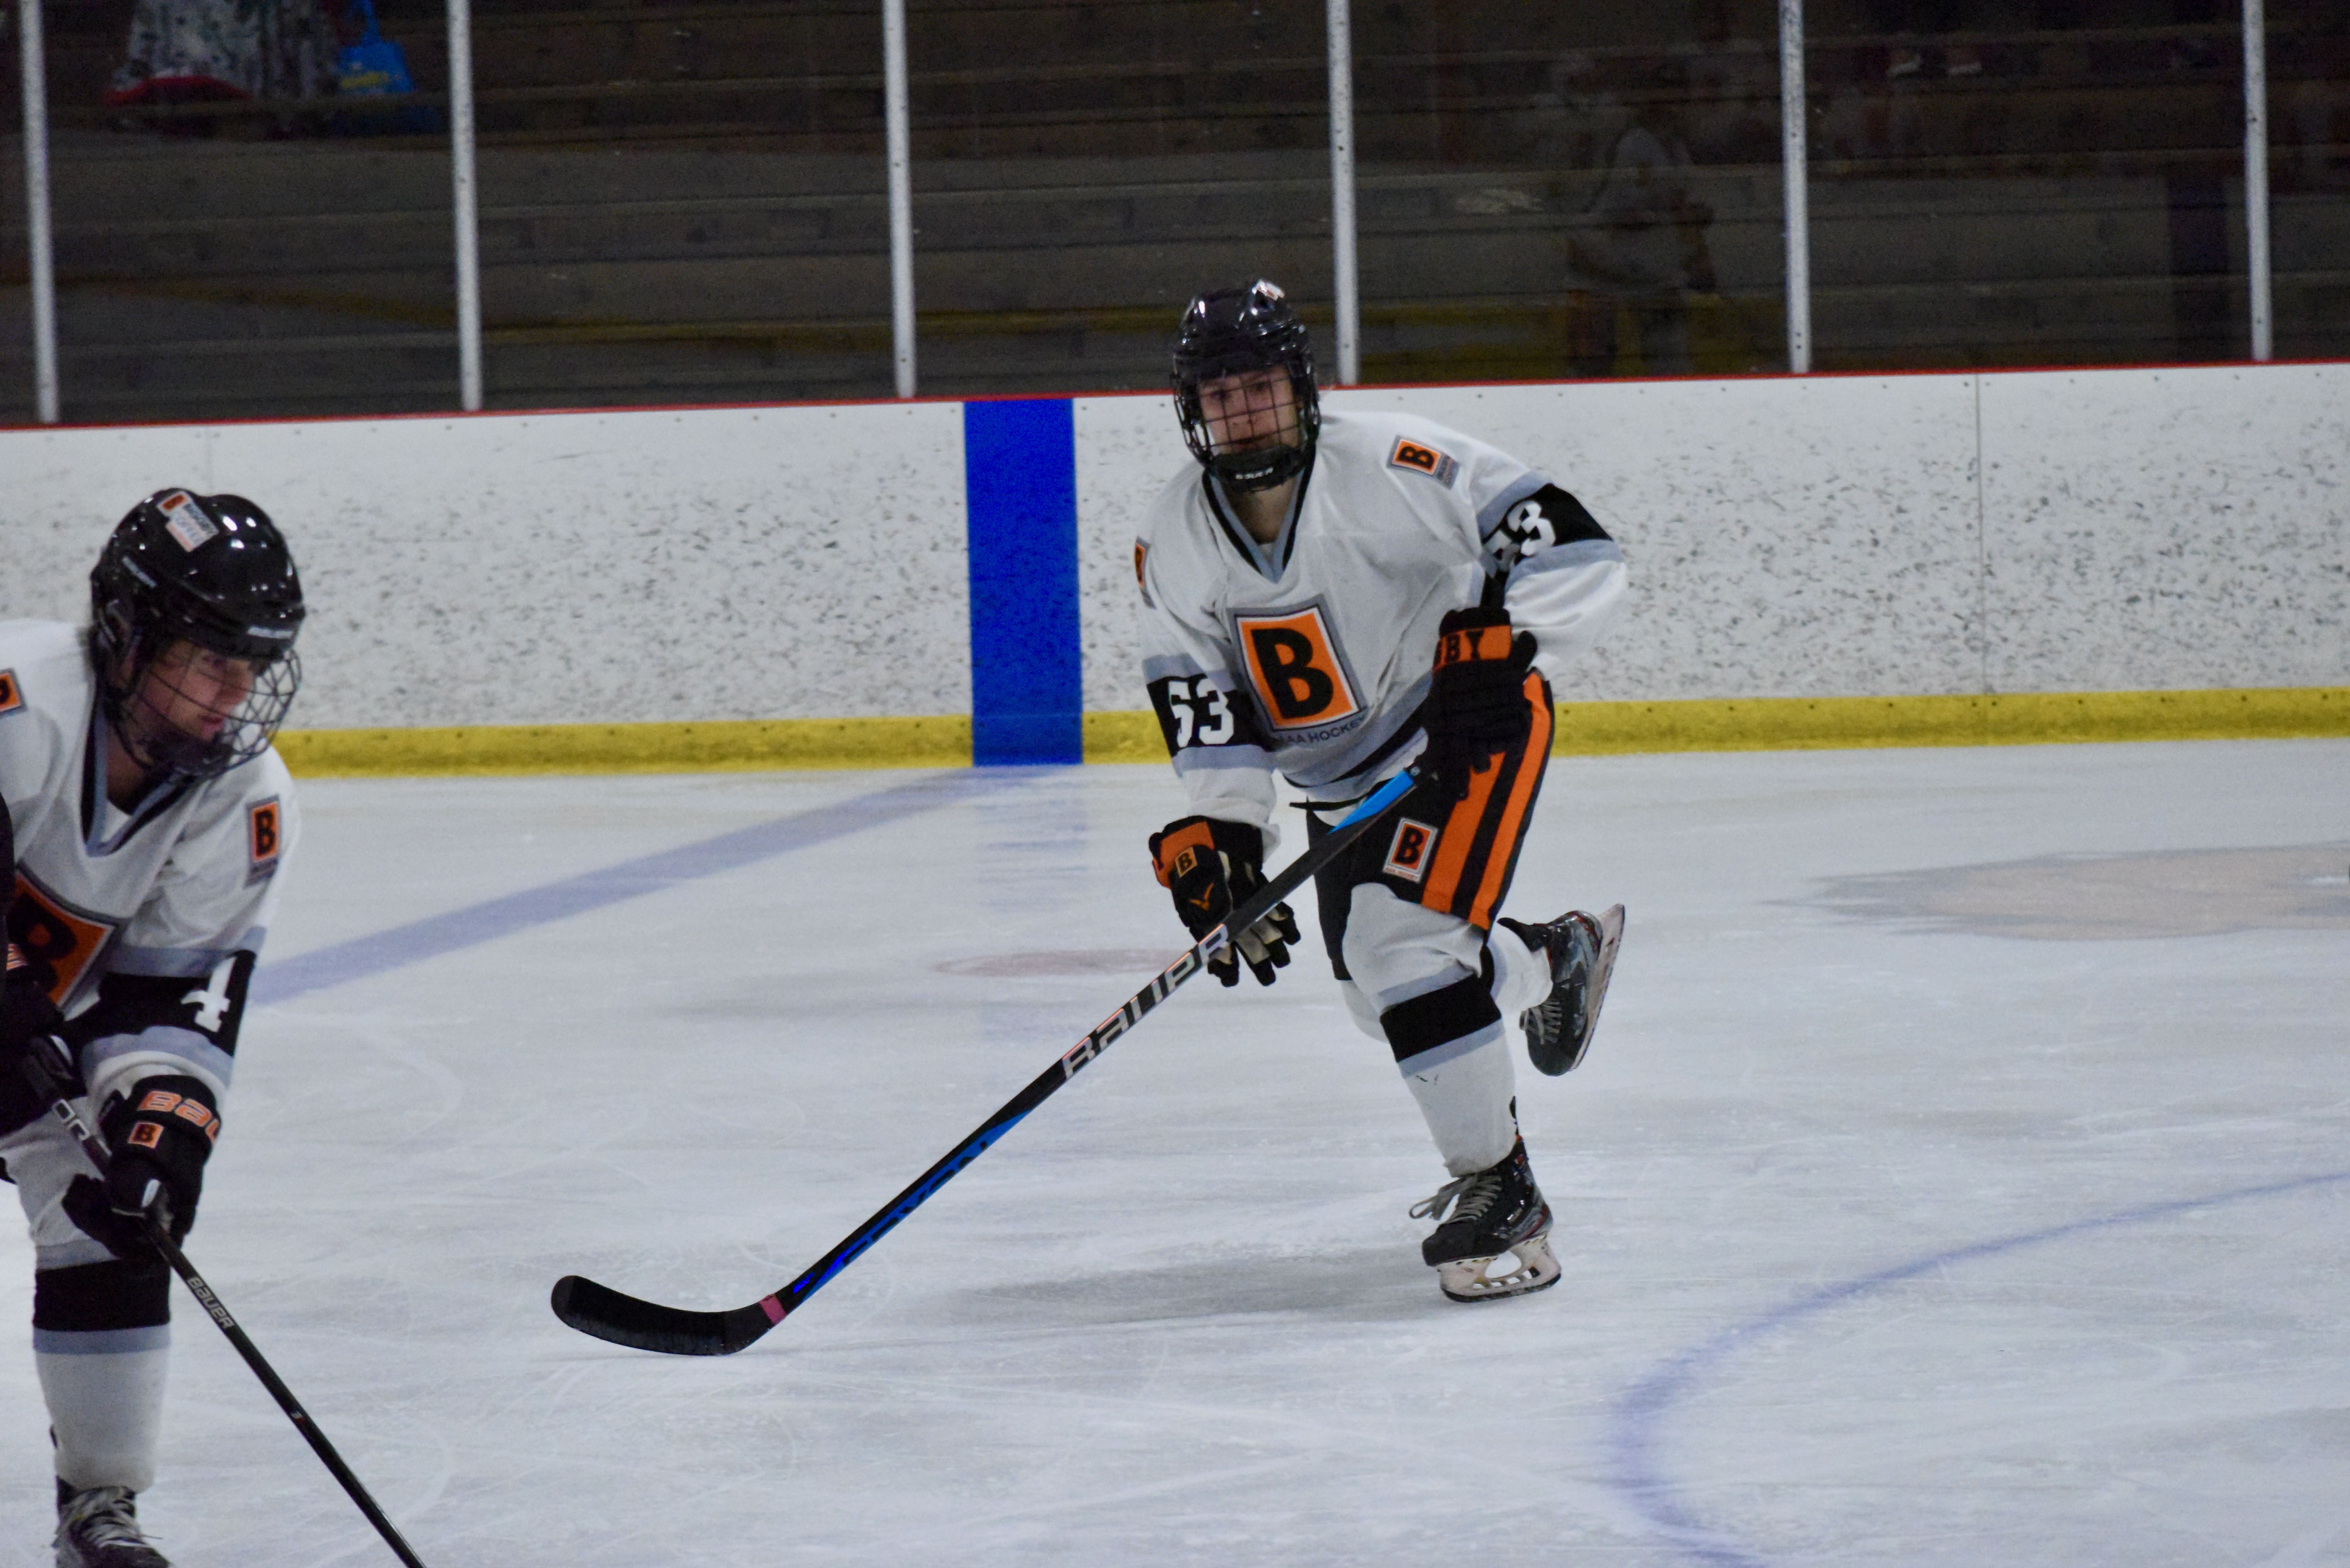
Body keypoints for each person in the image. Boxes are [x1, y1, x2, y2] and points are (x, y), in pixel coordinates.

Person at [1133, 281, 1629, 1303]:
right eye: (1221, 396)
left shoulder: (1396, 462)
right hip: (1338, 782)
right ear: (1192, 412)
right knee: (1385, 1005)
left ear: (1301, 387)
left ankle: (1502, 1189)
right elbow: (1205, 700)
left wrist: (1512, 645)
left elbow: (1571, 541)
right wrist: (1223, 840)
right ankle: (1551, 961)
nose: (1244, 413)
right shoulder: (1174, 536)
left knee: (1402, 952)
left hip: (1461, 733)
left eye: (1261, 387)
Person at [0, 491, 305, 1567]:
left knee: (109, 1211)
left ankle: (99, 1506)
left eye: (253, 665)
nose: (237, 694)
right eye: (213, 660)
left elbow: (175, 1000)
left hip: (39, 1035)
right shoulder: (18, 701)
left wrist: (159, 1132)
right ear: (130, 639)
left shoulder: (242, 799)